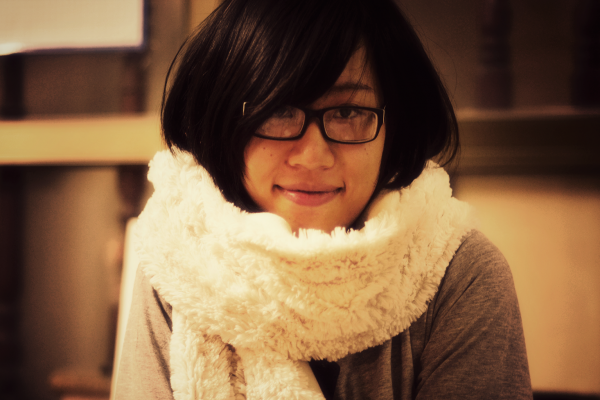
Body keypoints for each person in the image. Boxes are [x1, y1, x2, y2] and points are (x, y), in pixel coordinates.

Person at [114, 0, 533, 398]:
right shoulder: (179, 261)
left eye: (348, 112)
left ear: (394, 128)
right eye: (278, 110)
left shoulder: (460, 275)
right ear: (223, 120)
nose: (313, 156)